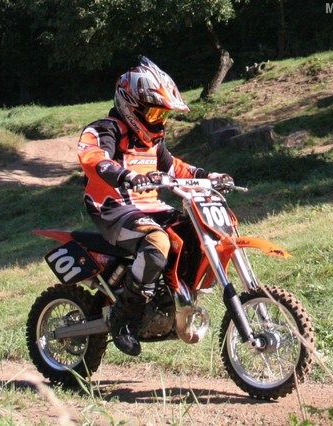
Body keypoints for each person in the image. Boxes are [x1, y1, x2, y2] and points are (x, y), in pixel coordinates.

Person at [77, 57, 233, 356]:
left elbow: (174, 167)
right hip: (112, 207)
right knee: (157, 240)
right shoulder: (105, 130)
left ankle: (172, 299)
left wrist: (208, 176)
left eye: (162, 113)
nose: (158, 119)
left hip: (149, 207)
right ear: (129, 104)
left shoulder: (153, 142)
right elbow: (95, 159)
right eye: (152, 111)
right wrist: (126, 176)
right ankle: (124, 317)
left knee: (194, 231)